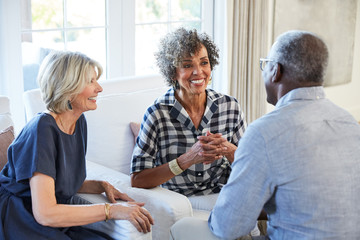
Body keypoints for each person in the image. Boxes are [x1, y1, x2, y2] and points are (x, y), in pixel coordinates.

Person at [170, 30, 360, 239]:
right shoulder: (350, 124)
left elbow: (228, 226)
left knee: (183, 228)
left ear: (275, 71)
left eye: (265, 64)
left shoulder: (264, 133)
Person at [0, 51, 154, 240]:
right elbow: (45, 213)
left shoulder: (78, 122)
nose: (99, 88)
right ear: (68, 87)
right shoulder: (42, 129)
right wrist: (111, 210)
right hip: (20, 217)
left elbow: (56, 181)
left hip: (50, 216)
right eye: (90, 81)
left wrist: (99, 185)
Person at [131, 27, 247, 198]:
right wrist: (188, 159)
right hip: (177, 200)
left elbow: (251, 167)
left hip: (223, 194)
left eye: (204, 62)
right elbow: (137, 179)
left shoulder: (230, 106)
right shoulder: (157, 114)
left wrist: (227, 149)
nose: (198, 72)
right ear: (173, 73)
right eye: (187, 65)